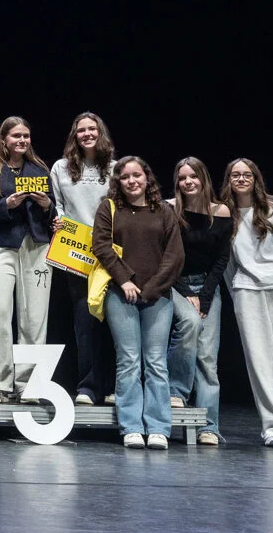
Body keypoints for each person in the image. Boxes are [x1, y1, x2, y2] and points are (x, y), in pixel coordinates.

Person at [91, 156, 184, 450]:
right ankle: (131, 425)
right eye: (125, 177)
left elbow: (174, 255)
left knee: (156, 362)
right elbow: (101, 246)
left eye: (137, 175)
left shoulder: (164, 210)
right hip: (121, 295)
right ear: (118, 181)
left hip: (157, 297)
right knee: (129, 360)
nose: (132, 181)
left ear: (147, 178)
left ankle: (157, 427)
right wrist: (125, 280)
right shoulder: (109, 208)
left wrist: (152, 288)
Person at [220, 158, 273, 449]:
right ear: (229, 180)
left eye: (247, 175)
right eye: (236, 175)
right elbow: (227, 264)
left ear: (256, 179)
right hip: (248, 291)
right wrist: (237, 295)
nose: (241, 179)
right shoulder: (224, 215)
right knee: (260, 363)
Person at [0, 117, 55, 403]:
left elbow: (53, 215)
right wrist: (4, 206)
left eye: (26, 135)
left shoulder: (40, 170)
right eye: (16, 136)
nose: (22, 140)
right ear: (3, 139)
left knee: (34, 318)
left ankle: (29, 384)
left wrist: (48, 205)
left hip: (36, 246)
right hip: (2, 245)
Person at [50, 112, 117, 406]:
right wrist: (59, 221)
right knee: (84, 321)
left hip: (111, 252)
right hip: (76, 252)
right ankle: (88, 387)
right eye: (81, 130)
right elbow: (59, 207)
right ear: (74, 135)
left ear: (100, 133)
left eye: (92, 129)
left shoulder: (115, 168)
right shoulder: (61, 167)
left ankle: (115, 387)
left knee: (115, 320)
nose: (87, 134)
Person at [165, 157, 232, 445]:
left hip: (208, 286)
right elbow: (168, 256)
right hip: (176, 284)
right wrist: (187, 293)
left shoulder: (221, 211)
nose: (188, 182)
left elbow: (222, 258)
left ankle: (209, 427)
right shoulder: (170, 209)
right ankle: (176, 392)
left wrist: (204, 296)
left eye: (193, 176)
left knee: (207, 358)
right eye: (182, 178)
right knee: (189, 327)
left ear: (203, 179)